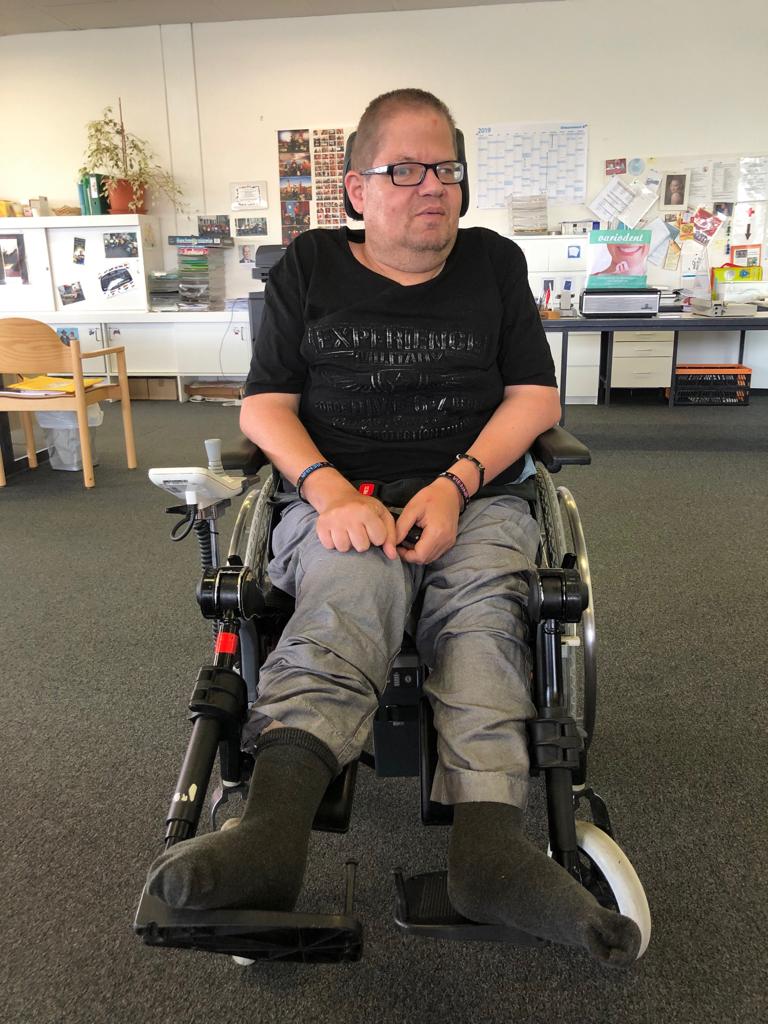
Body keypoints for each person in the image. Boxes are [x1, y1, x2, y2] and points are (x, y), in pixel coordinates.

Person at [147, 88, 640, 967]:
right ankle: (271, 836)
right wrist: (332, 493)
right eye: (405, 170)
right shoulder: (309, 267)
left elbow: (534, 399)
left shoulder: (493, 263)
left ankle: (489, 853)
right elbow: (265, 407)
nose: (434, 186)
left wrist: (454, 485)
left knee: (485, 609)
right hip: (343, 496)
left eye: (446, 168)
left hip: (477, 495)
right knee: (350, 589)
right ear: (357, 190)